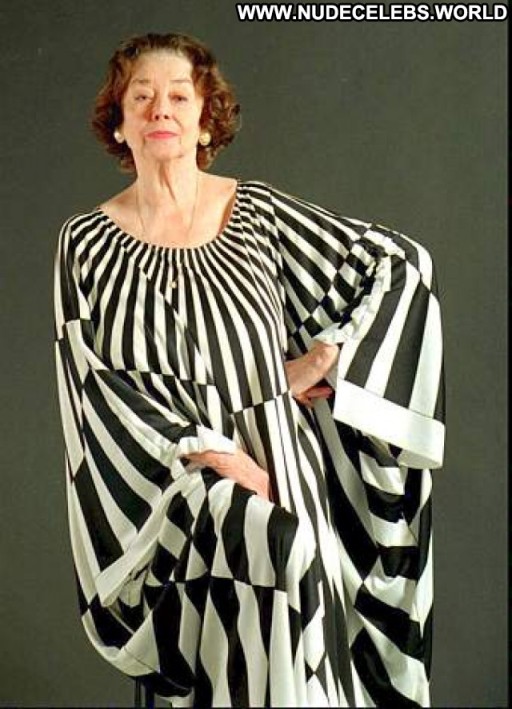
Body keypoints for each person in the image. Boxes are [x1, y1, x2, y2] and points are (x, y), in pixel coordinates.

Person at [54, 32, 445, 708]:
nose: (160, 109)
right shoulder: (83, 243)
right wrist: (209, 452)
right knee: (230, 646)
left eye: (180, 97)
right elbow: (93, 388)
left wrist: (329, 356)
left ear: (207, 120)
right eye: (141, 97)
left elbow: (399, 264)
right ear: (118, 122)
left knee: (297, 654)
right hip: (179, 494)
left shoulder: (257, 213)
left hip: (282, 472)